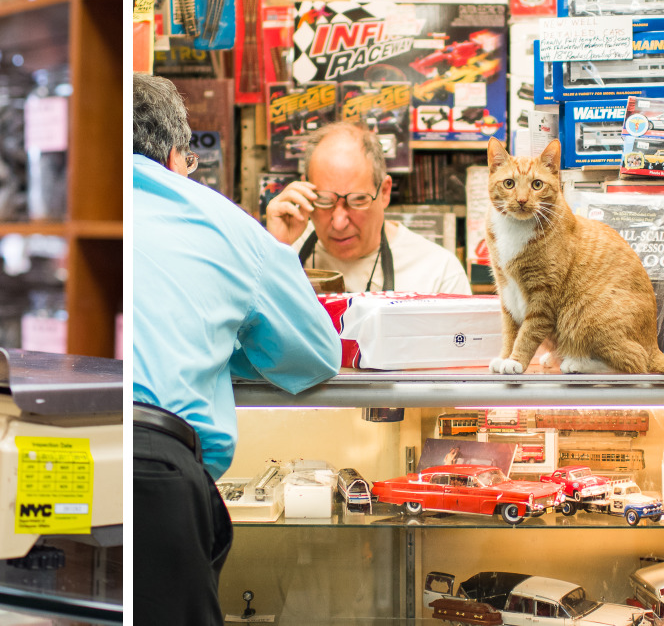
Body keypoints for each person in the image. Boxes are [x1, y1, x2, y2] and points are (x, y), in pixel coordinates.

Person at [133, 72, 342, 624]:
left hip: (44, 449)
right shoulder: (223, 224)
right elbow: (318, 354)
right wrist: (218, 340)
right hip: (150, 473)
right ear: (177, 155)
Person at [266, 121, 471, 294]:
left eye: (357, 200)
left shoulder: (438, 274)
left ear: (384, 192)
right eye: (324, 200)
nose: (339, 223)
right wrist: (275, 249)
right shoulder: (284, 253)